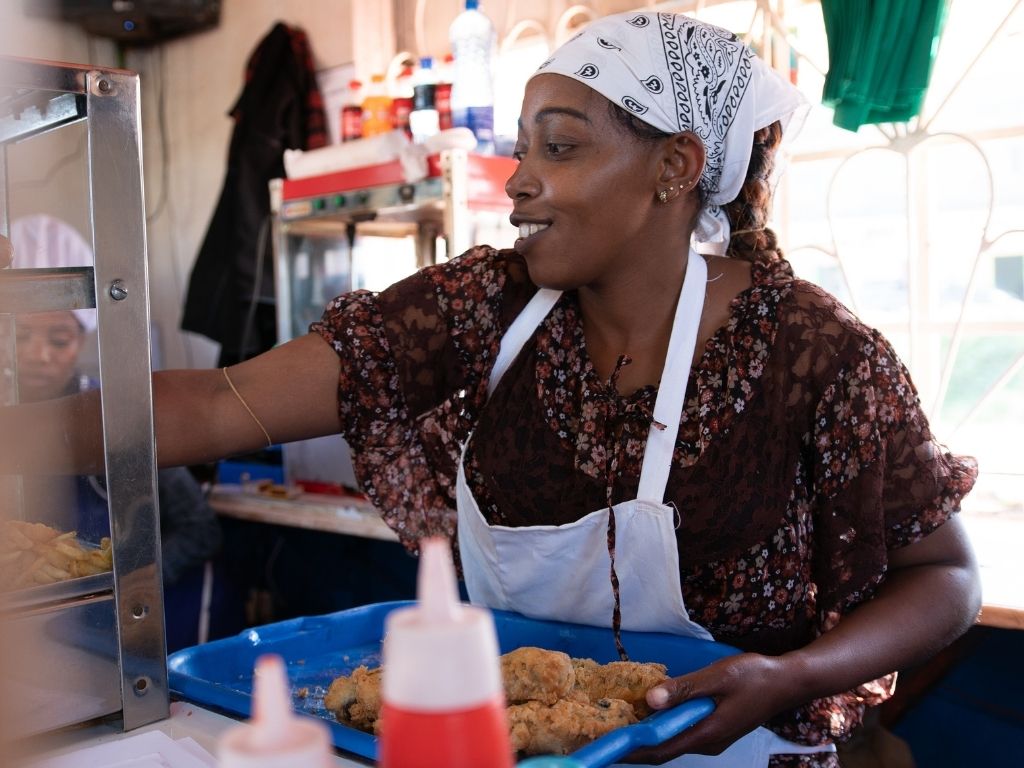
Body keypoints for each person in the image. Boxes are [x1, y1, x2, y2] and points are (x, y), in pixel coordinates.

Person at [2, 12, 980, 767]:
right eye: (521, 149)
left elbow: (943, 576)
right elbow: (220, 405)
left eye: (558, 148)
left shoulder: (812, 353)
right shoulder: (487, 309)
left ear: (675, 168)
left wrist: (792, 675)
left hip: (741, 751)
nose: (516, 181)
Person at [9, 214, 225, 652]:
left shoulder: (111, 417)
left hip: (129, 635)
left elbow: (201, 529)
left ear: (82, 340)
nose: (38, 354)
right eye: (21, 335)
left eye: (57, 339)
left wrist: (122, 582)